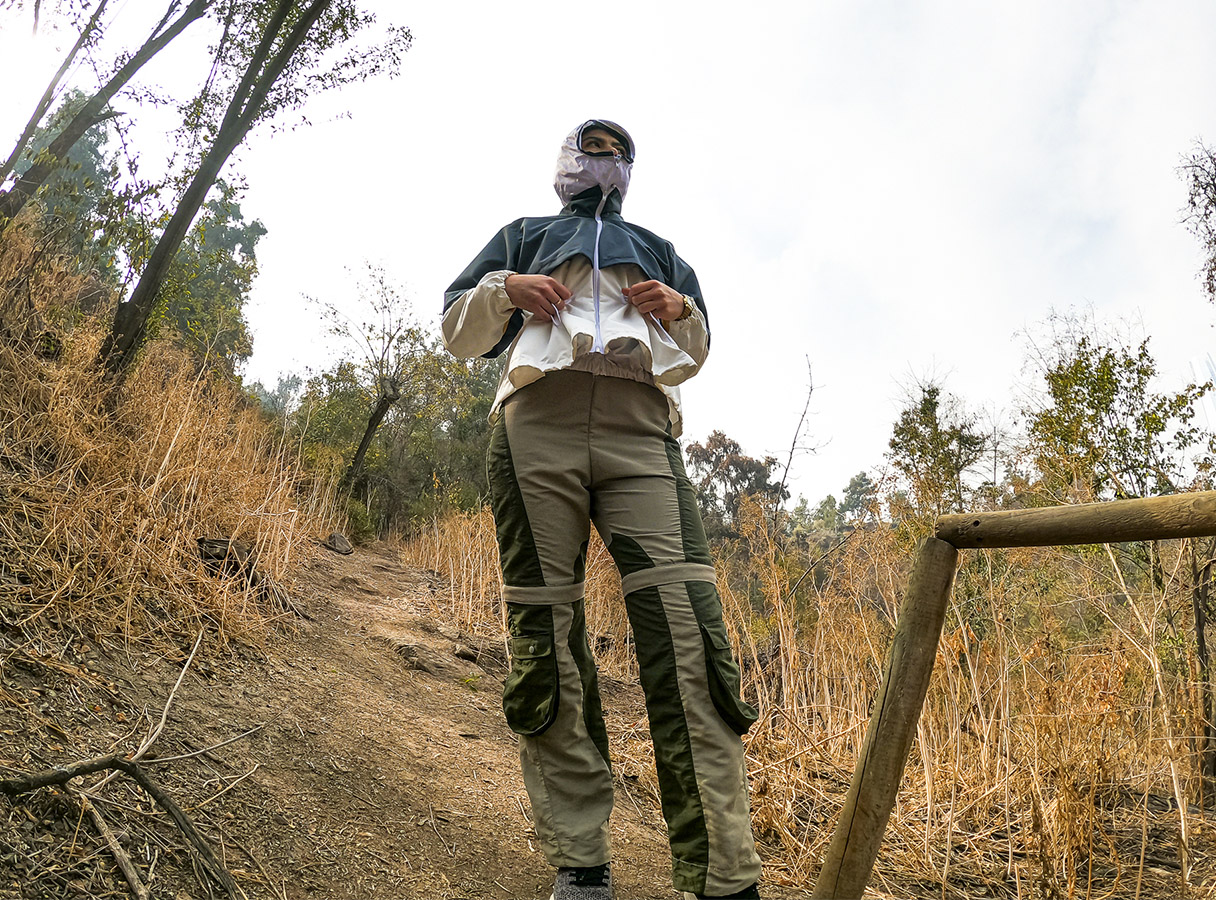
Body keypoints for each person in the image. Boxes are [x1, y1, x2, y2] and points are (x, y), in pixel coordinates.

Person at [442, 120, 763, 900]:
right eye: (588, 153)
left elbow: (700, 344)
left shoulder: (657, 246)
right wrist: (504, 290)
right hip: (534, 425)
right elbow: (455, 327)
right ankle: (581, 858)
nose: (601, 166)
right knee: (546, 631)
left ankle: (725, 874)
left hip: (641, 426)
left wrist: (679, 307)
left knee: (688, 631)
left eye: (616, 156)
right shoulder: (522, 235)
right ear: (563, 165)